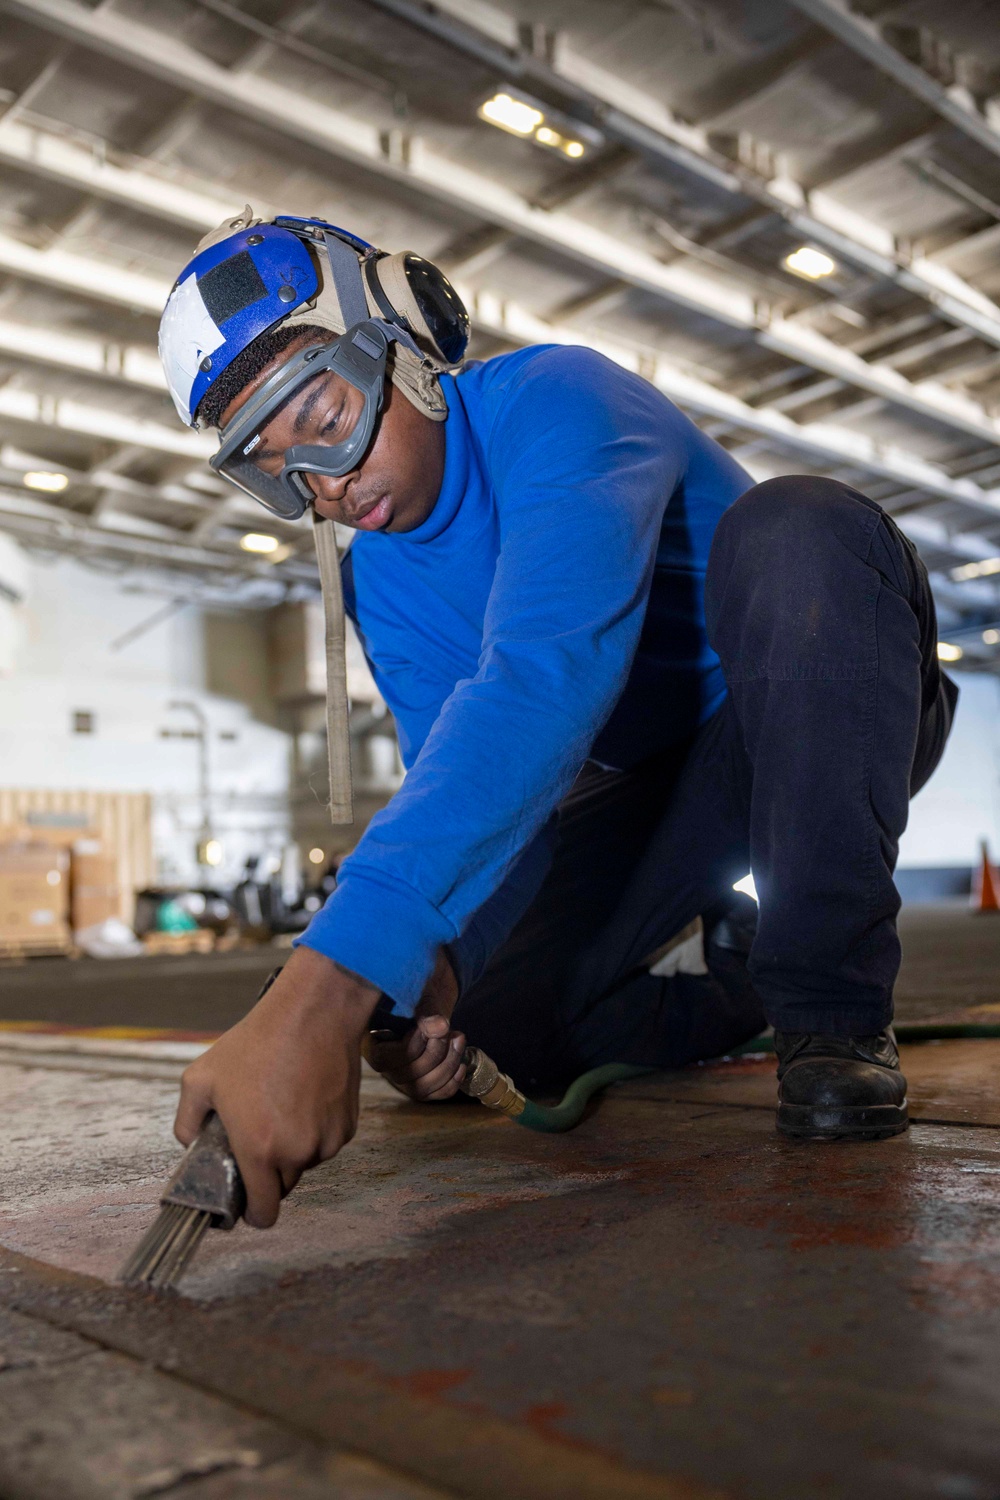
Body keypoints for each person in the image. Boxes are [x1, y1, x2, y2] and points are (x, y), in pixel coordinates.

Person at [159, 209, 957, 1228]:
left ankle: (831, 1013)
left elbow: (545, 680)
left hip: (830, 696)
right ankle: (741, 982)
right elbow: (490, 791)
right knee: (494, 1018)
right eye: (275, 468)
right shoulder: (381, 582)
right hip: (667, 787)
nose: (323, 479)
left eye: (320, 415)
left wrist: (328, 986)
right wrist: (422, 985)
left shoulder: (558, 401)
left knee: (798, 525)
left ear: (405, 333)